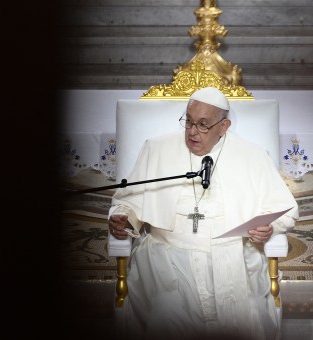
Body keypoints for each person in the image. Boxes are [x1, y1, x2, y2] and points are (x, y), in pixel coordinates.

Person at [107, 86, 299, 340]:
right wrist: (123, 217)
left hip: (233, 257)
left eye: (203, 125)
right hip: (168, 261)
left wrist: (269, 228)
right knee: (166, 319)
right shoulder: (157, 148)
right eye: (188, 122)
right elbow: (128, 200)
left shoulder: (252, 156)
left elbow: (284, 209)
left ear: (224, 126)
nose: (192, 132)